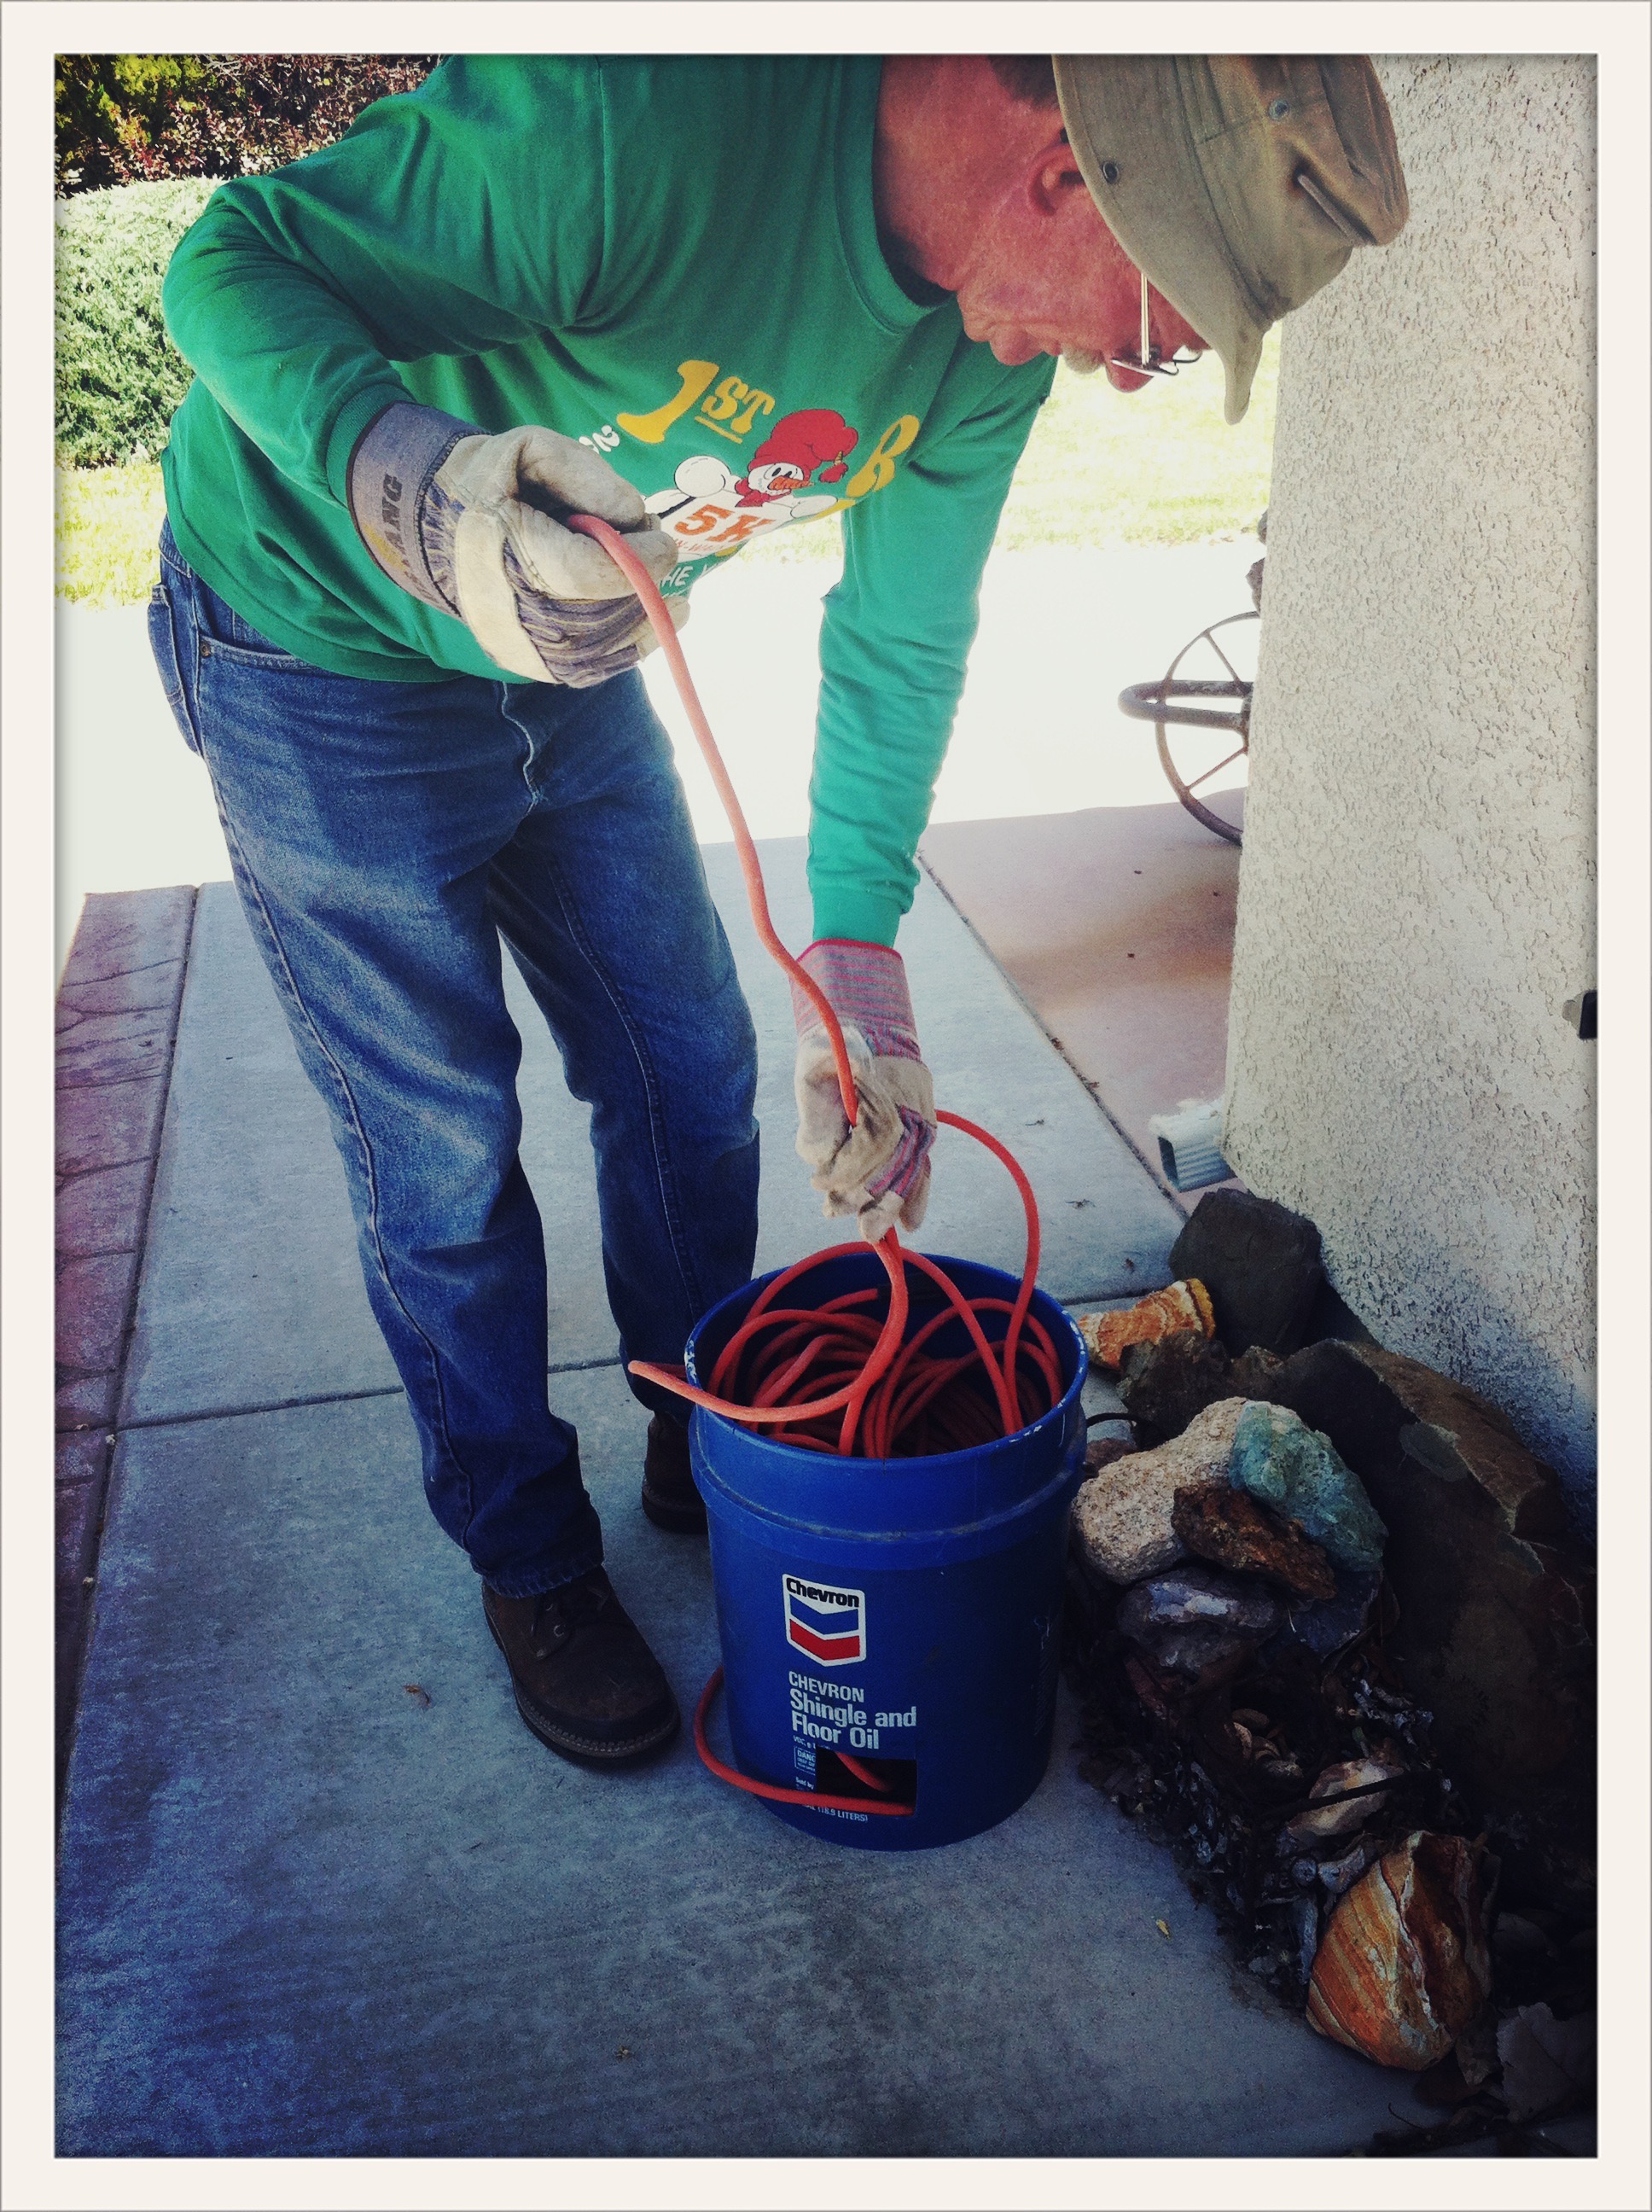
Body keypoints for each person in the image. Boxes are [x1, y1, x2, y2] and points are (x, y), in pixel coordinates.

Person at [150, 54, 1407, 1770]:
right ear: (1065, 174)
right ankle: (531, 1560)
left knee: (685, 1066)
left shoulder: (979, 344)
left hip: (567, 664)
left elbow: (899, 641)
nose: (1124, 375)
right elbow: (228, 262)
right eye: (1156, 332)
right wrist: (411, 484)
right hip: (315, 649)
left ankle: (707, 1421)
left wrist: (861, 965)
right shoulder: (640, 123)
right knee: (439, 1152)